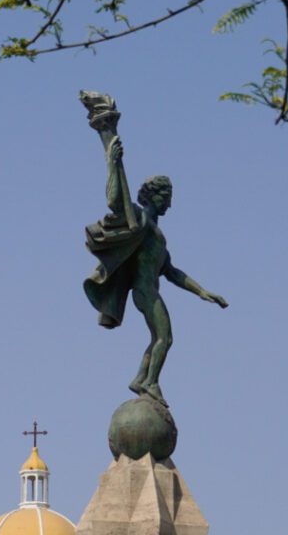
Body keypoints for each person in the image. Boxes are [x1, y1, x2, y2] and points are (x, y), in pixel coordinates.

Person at [79, 91, 228, 405]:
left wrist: (203, 292)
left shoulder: (155, 233)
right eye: (167, 197)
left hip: (152, 289)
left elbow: (172, 272)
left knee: (161, 337)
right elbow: (116, 201)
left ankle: (142, 379)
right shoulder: (142, 223)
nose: (170, 203)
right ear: (155, 196)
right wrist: (112, 161)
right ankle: (149, 383)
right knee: (165, 338)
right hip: (144, 291)